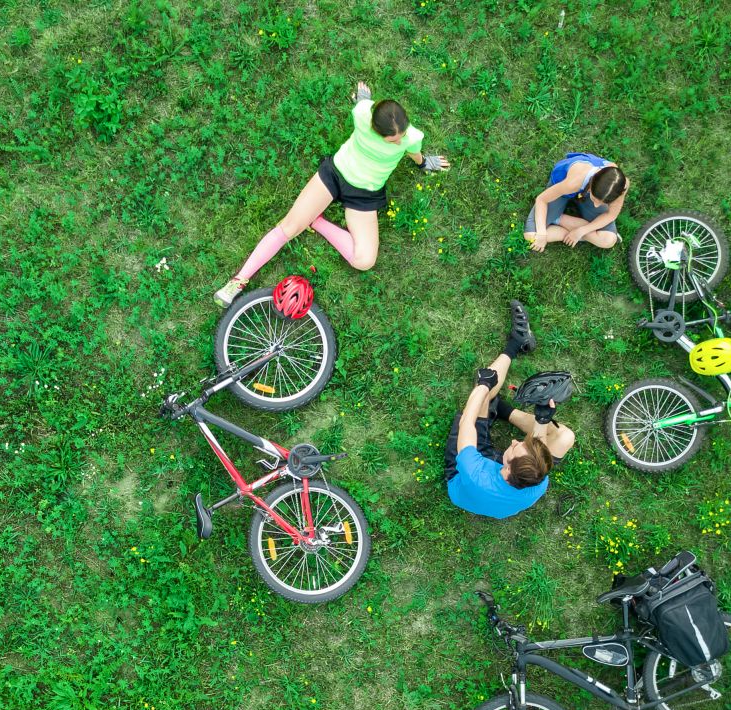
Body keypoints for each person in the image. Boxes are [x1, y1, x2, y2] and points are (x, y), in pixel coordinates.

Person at [215, 81, 451, 306]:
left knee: (365, 260)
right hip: (335, 174)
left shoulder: (411, 137)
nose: (398, 143)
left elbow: (413, 153)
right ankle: (237, 282)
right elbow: (361, 104)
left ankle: (316, 221)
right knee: (288, 227)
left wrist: (424, 163)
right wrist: (363, 98)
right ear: (373, 128)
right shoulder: (361, 115)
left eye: (400, 137)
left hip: (365, 195)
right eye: (392, 140)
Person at [444, 302, 576, 520]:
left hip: (463, 478)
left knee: (483, 396)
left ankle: (515, 344)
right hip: (504, 476)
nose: (514, 441)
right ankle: (502, 409)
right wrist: (542, 420)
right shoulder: (537, 481)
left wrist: (483, 385)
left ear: (506, 469)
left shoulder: (474, 471)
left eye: (515, 448)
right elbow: (536, 447)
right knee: (565, 437)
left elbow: (466, 422)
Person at [525, 152, 629, 252]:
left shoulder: (620, 185)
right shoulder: (575, 181)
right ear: (590, 187)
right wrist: (542, 234)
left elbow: (611, 215)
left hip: (586, 192)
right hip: (564, 189)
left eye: (603, 202)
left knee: (608, 240)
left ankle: (558, 219)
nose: (596, 205)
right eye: (595, 199)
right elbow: (541, 199)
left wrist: (581, 231)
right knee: (531, 237)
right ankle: (561, 222)